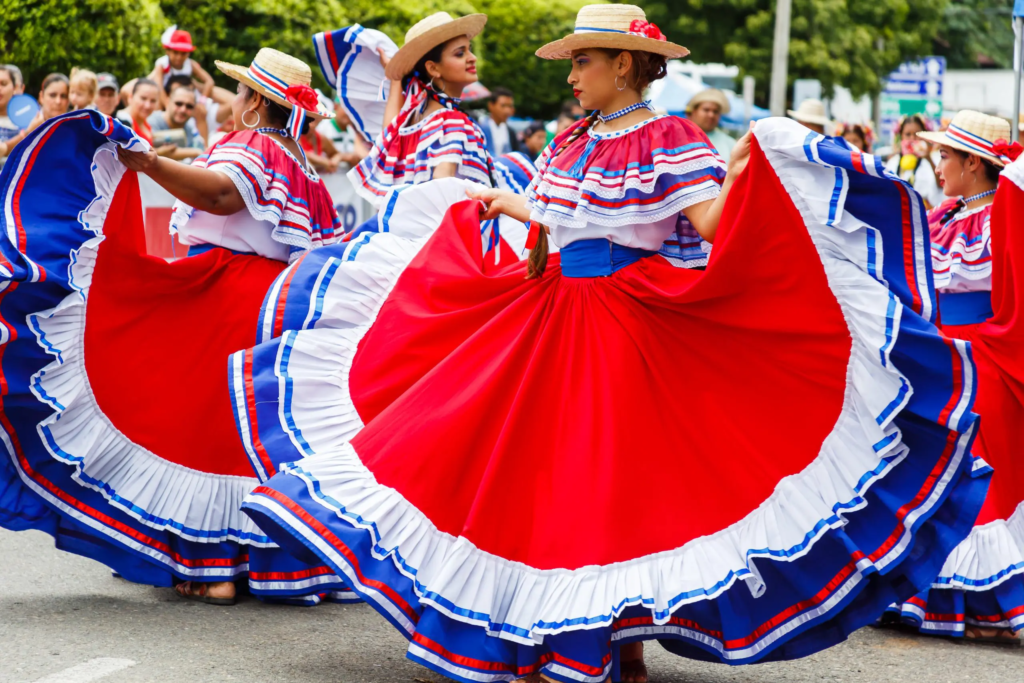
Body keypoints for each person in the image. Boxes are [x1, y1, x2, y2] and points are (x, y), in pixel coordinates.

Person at [234, 5, 985, 682]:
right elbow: (567, 224)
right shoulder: (572, 138)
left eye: (582, 60)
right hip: (555, 310)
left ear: (624, 64)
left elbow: (717, 225)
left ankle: (613, 637)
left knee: (609, 486)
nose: (571, 72)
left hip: (627, 323)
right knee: (541, 476)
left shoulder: (670, 135)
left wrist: (761, 169)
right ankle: (566, 631)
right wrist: (514, 207)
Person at [0, 47, 351, 607]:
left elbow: (217, 193)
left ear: (257, 101)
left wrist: (150, 164)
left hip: (226, 295)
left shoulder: (256, 145)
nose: (235, 102)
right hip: (270, 306)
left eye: (241, 94)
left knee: (190, 424)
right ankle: (233, 564)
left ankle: (213, 568)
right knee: (238, 438)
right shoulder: (303, 165)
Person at [882, 111, 1024, 644]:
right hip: (939, 356)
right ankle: (934, 596)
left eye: (946, 155)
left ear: (973, 162)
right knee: (928, 471)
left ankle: (988, 603)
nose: (937, 164)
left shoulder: (1003, 217)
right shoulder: (943, 217)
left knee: (973, 474)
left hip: (980, 356)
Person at [347, 12, 497, 206]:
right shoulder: (450, 120)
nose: (473, 58)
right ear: (433, 69)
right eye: (460, 53)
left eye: (469, 50)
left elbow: (386, 135)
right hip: (441, 230)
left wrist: (396, 79)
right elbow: (443, 187)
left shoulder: (410, 120)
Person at [885, 114, 944, 209]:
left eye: (917, 134)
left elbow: (942, 185)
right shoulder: (893, 162)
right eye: (908, 134)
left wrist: (928, 159)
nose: (912, 138)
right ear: (901, 136)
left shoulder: (936, 159)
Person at [147, 82, 206, 162]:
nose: (183, 110)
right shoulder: (152, 121)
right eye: (179, 104)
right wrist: (195, 152)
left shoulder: (189, 128)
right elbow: (147, 154)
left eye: (189, 106)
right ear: (168, 102)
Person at [685, 87, 734, 161]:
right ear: (693, 112)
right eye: (706, 110)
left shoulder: (730, 144)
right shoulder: (677, 138)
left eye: (715, 111)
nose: (711, 115)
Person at [116, 78, 164, 148]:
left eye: (153, 101)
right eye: (143, 98)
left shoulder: (144, 120)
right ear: (130, 97)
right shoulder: (123, 121)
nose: (147, 106)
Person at [0, 65, 26, 160]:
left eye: (3, 84)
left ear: (15, 87)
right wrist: (26, 134)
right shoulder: (30, 127)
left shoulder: (29, 119)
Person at [480, 86, 515, 156]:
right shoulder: (481, 128)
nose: (507, 110)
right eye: (503, 106)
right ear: (491, 105)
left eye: (510, 106)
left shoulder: (510, 131)